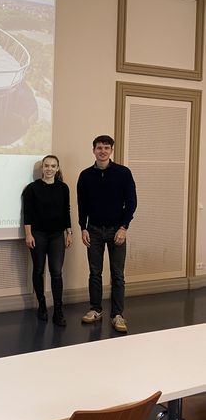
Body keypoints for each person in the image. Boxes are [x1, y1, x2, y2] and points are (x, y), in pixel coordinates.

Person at [77, 135, 137, 333]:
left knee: (118, 275)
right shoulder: (85, 175)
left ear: (111, 150)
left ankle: (117, 314)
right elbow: (82, 205)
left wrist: (123, 227)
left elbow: (131, 202)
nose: (102, 151)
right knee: (95, 273)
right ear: (93, 150)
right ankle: (96, 309)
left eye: (106, 147)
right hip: (93, 230)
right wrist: (82, 227)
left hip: (116, 231)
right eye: (99, 147)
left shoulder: (123, 173)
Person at [23, 155, 72, 326]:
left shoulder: (64, 188)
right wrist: (28, 234)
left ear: (57, 168)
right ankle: (42, 305)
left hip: (57, 235)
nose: (49, 169)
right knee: (38, 270)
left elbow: (67, 211)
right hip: (38, 234)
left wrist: (69, 232)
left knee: (57, 272)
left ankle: (58, 311)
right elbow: (27, 213)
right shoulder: (32, 188)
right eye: (46, 166)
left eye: (53, 166)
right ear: (42, 168)